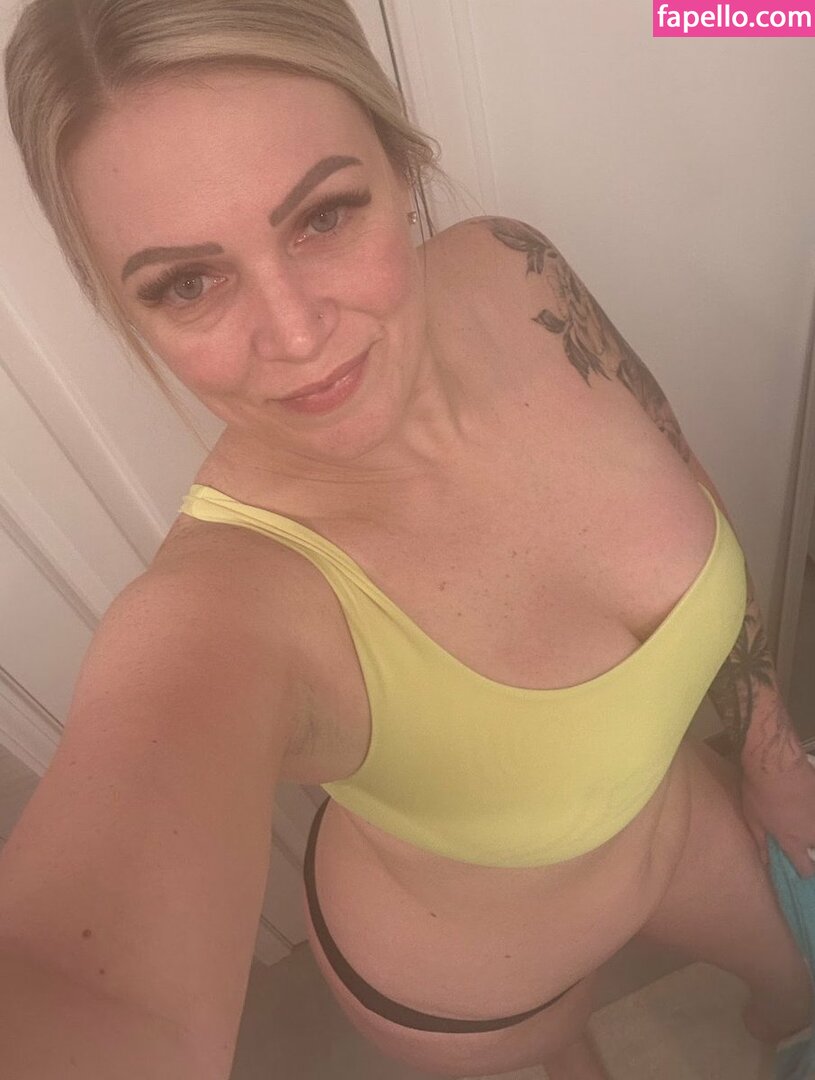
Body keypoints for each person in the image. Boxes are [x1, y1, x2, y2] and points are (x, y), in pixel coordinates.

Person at [3, 2, 815, 1078]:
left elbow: (681, 467)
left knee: (797, 999)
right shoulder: (223, 608)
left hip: (677, 819)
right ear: (127, 312)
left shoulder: (512, 268)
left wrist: (770, 754)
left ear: (400, 166)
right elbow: (89, 995)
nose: (296, 333)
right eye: (187, 283)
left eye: (324, 216)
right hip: (473, 990)